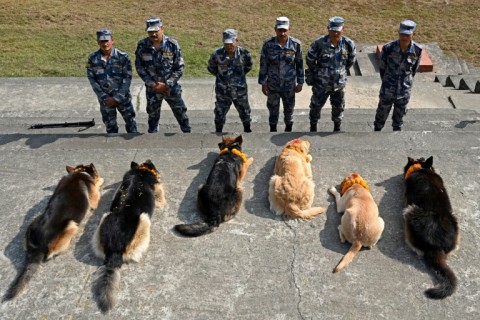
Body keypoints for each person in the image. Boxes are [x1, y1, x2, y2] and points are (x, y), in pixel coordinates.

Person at [135, 16, 191, 133]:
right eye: (150, 31)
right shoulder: (142, 45)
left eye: (156, 31)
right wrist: (152, 84)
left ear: (162, 29)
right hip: (153, 89)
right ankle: (153, 138)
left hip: (171, 88)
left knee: (181, 113)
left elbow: (179, 68)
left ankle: (187, 135)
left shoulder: (172, 45)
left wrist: (167, 84)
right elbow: (140, 67)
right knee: (152, 115)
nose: (153, 34)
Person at [306, 16, 356, 132]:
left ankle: (337, 128)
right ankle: (313, 127)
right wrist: (319, 73)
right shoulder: (319, 43)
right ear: (328, 29)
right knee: (315, 107)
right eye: (332, 30)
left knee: (338, 107)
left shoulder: (348, 44)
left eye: (337, 31)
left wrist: (340, 72)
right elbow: (310, 60)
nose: (335, 33)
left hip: (338, 85)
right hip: (321, 84)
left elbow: (350, 61)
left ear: (342, 30)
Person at [373, 20, 422, 131]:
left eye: (407, 35)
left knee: (398, 120)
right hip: (388, 89)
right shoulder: (388, 48)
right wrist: (387, 81)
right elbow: (382, 68)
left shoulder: (417, 51)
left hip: (404, 91)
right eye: (402, 34)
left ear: (414, 34)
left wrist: (405, 82)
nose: (404, 37)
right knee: (380, 117)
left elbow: (413, 70)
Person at [86, 29, 138, 134]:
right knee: (110, 128)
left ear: (112, 41)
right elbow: (92, 80)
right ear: (98, 42)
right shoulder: (92, 59)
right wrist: (104, 97)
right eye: (102, 41)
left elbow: (127, 78)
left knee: (131, 125)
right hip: (105, 101)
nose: (105, 44)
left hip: (123, 98)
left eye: (107, 41)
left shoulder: (123, 57)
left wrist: (118, 97)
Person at [258, 17, 304, 132]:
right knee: (273, 110)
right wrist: (263, 83)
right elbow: (264, 64)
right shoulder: (268, 44)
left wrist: (300, 82)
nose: (282, 33)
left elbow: (299, 64)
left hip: (289, 85)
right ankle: (272, 130)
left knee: (289, 109)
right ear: (275, 30)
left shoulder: (296, 44)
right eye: (280, 30)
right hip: (273, 85)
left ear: (289, 29)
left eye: (285, 30)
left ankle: (288, 130)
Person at [207, 29, 253, 133]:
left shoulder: (244, 54)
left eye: (231, 43)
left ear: (236, 40)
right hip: (223, 91)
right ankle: (218, 131)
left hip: (239, 90)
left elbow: (248, 66)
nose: (229, 46)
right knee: (219, 114)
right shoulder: (216, 54)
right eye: (226, 43)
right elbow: (211, 68)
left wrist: (238, 78)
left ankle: (247, 130)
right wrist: (222, 78)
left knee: (245, 112)